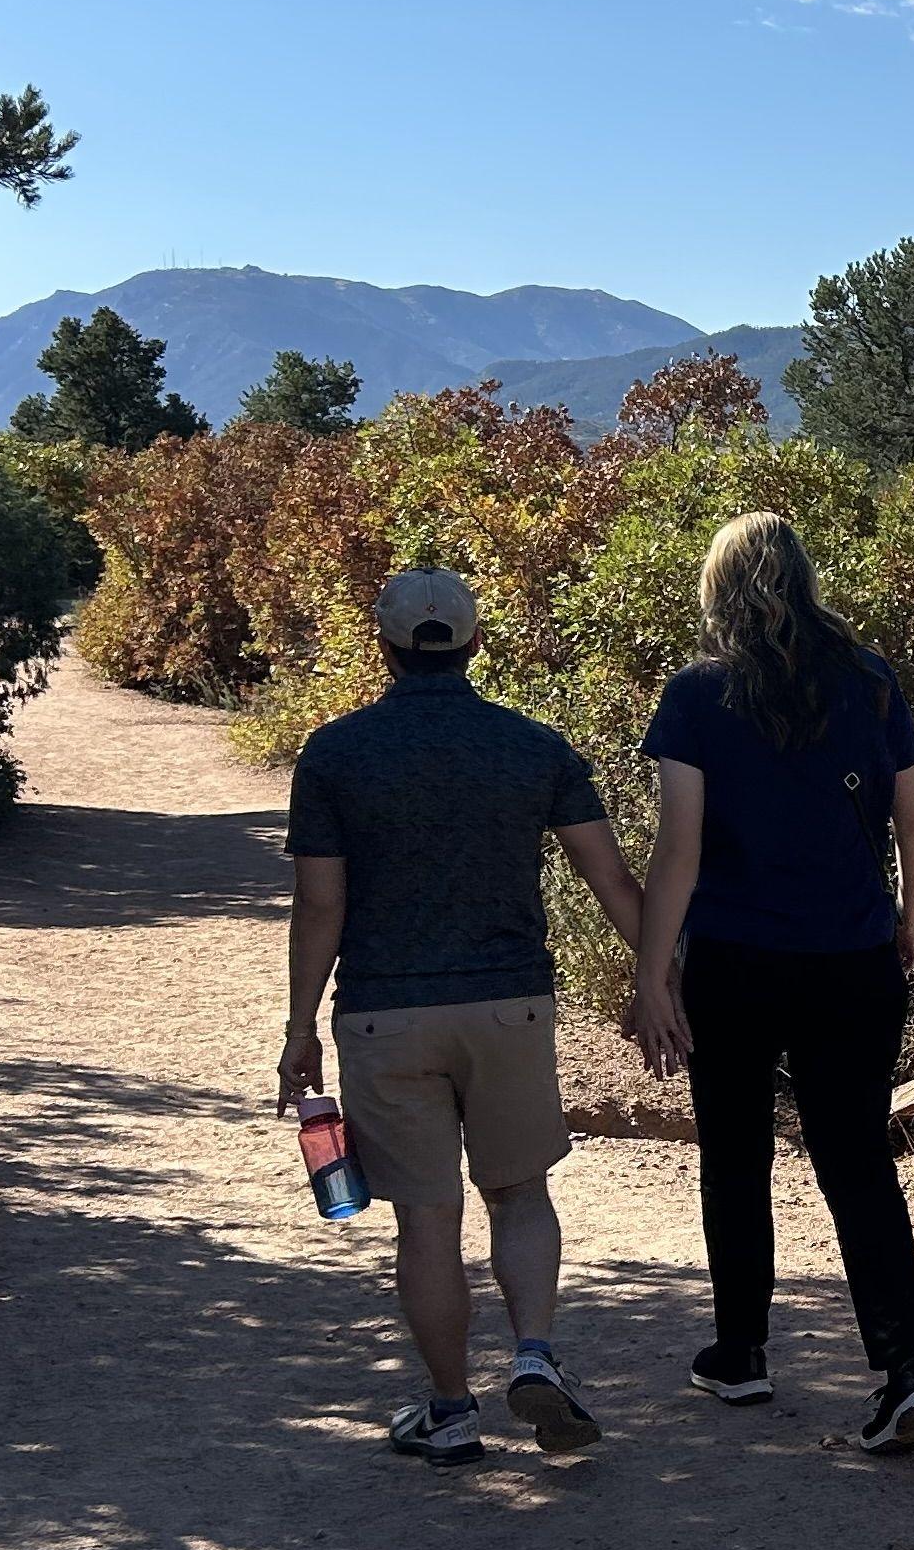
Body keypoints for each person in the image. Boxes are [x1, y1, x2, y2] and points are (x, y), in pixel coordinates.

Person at [276, 565, 652, 1465]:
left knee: (427, 1219)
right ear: (476, 644)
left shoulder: (334, 754)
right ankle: (535, 1357)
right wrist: (659, 979)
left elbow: (320, 905)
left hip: (385, 1016)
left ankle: (451, 1411)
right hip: (509, 1007)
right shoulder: (534, 747)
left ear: (386, 646)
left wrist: (298, 1029)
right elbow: (609, 879)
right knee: (520, 1193)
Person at [627, 512, 914, 1452]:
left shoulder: (695, 696)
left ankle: (742, 1353)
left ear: (716, 588)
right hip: (853, 960)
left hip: (735, 959)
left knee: (734, 1154)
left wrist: (654, 976)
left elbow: (677, 849)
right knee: (858, 1164)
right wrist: (907, 920)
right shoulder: (870, 681)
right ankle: (904, 1370)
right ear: (804, 579)